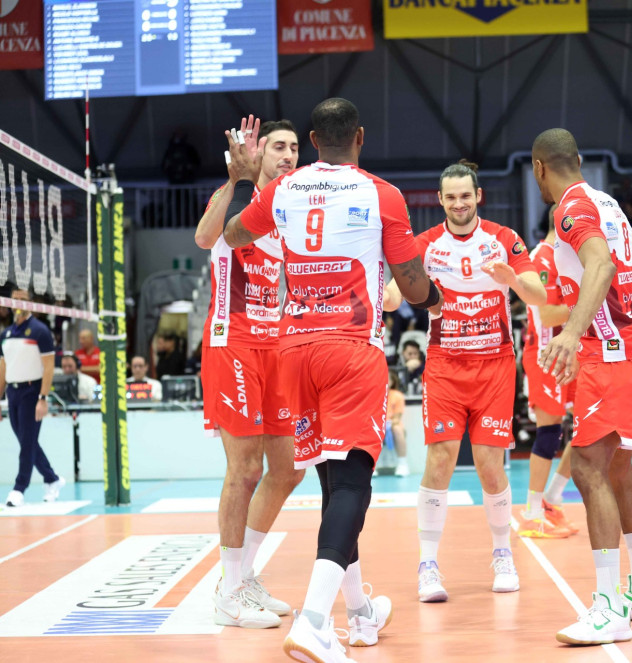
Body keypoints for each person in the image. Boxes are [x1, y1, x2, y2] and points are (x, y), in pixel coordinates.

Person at [225, 98, 434, 662]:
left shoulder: (283, 189)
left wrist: (243, 179)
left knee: (333, 483)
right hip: (350, 351)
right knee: (352, 486)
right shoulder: (382, 194)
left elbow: (235, 234)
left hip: (294, 351)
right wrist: (433, 297)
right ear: (359, 137)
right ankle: (315, 622)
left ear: (313, 141)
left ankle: (359, 612)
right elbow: (413, 285)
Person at [384, 160, 546, 602]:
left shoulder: (504, 239)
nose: (459, 203)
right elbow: (394, 295)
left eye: (466, 196)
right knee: (440, 460)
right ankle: (428, 565)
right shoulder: (424, 245)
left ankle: (502, 553)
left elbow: (539, 294)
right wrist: (375, 284)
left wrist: (513, 281)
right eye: (451, 197)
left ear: (478, 197)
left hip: (495, 365)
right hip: (445, 366)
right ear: (440, 200)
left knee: (490, 465)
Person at [532, 128, 632, 645]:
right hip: (631, 343)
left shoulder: (569, 209)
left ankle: (608, 607)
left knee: (587, 467)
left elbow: (602, 265)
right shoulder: (607, 201)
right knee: (617, 467)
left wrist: (570, 332)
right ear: (579, 159)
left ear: (539, 168)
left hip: (610, 350)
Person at [195, 116, 305, 631]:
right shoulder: (235, 201)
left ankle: (245, 575)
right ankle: (228, 590)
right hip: (233, 342)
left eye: (294, 148)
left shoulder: (292, 211)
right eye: (278, 146)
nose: (288, 155)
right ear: (258, 155)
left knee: (289, 469)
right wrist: (235, 180)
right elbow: (204, 237)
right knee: (244, 470)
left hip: (276, 348)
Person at [519, 205, 579, 539]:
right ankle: (531, 514)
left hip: (571, 351)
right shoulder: (542, 257)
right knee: (549, 431)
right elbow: (548, 315)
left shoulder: (572, 257)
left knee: (588, 429)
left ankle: (552, 499)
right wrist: (589, 302)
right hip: (545, 353)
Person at [2, 289, 63, 508]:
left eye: (23, 300)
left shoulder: (39, 331)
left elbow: (49, 367)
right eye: (15, 299)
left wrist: (42, 398)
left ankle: (19, 488)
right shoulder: (6, 334)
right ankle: (51, 478)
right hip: (13, 392)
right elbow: (2, 368)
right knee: (26, 440)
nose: (18, 303)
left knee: (27, 442)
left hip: (31, 391)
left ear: (30, 303)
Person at [385, 370, 409, 476]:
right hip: (377, 424)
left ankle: (403, 464)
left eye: (387, 379)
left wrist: (388, 424)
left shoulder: (398, 395)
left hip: (392, 424)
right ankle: (371, 466)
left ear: (392, 382)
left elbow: (397, 417)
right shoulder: (373, 394)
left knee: (397, 429)